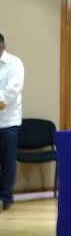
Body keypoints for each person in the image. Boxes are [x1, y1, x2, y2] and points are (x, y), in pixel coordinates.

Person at [0, 34, 24, 212]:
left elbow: (12, 90)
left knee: (7, 162)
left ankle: (5, 197)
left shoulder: (14, 63)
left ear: (3, 46)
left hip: (8, 122)